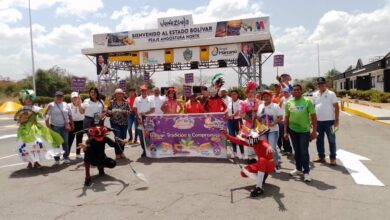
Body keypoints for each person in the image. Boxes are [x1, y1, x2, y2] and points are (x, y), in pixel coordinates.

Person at [221, 122, 274, 197]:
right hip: (261, 165)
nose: (249, 140)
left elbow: (266, 145)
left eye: (250, 138)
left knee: (261, 160)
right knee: (244, 172)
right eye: (249, 138)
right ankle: (261, 178)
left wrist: (269, 147)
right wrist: (227, 136)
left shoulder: (262, 142)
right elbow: (239, 141)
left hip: (269, 165)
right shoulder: (252, 142)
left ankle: (259, 187)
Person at [14, 89, 64, 168]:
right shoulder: (21, 109)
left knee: (37, 144)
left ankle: (36, 161)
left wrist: (47, 110)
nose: (28, 101)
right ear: (24, 100)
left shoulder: (35, 108)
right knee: (27, 146)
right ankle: (30, 162)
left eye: (30, 99)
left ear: (32, 100)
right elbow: (17, 119)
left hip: (35, 128)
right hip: (24, 129)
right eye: (27, 99)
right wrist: (20, 120)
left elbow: (43, 116)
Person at [284, 84, 317, 182]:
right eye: (294, 90)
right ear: (292, 92)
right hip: (292, 130)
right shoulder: (289, 102)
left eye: (298, 90)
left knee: (304, 152)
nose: (296, 91)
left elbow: (313, 117)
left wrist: (314, 131)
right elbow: (286, 118)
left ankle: (306, 172)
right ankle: (298, 169)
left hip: (304, 131)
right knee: (296, 151)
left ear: (301, 91)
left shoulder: (307, 101)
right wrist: (285, 131)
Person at [312, 77, 339, 166]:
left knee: (331, 140)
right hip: (318, 122)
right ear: (317, 85)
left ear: (325, 84)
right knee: (319, 140)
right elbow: (312, 107)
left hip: (330, 122)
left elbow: (336, 107)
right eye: (319, 84)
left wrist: (336, 120)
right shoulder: (315, 94)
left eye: (322, 84)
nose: (321, 85)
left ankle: (333, 158)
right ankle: (321, 157)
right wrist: (311, 120)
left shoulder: (331, 94)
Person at [257, 90, 283, 173]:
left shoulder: (275, 106)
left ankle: (276, 164)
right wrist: (261, 121)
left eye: (267, 96)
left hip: (273, 130)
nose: (266, 98)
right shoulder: (260, 106)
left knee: (272, 147)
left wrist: (274, 123)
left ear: (271, 97)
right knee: (265, 148)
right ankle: (267, 164)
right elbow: (258, 117)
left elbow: (280, 117)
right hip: (263, 130)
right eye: (264, 96)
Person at [45, 91, 74, 165]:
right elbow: (45, 115)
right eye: (57, 96)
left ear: (63, 98)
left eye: (61, 96)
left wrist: (72, 124)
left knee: (65, 143)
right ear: (54, 97)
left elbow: (70, 115)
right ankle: (57, 159)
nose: (59, 98)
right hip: (55, 127)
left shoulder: (66, 104)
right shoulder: (51, 105)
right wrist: (48, 127)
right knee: (56, 143)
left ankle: (66, 157)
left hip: (65, 127)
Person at [239, 81, 260, 163]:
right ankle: (250, 158)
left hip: (256, 124)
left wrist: (256, 120)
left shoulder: (257, 101)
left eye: (252, 92)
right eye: (249, 92)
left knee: (255, 141)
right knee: (249, 142)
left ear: (254, 93)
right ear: (246, 93)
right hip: (248, 124)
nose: (250, 94)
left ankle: (254, 157)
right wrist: (250, 120)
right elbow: (241, 114)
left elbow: (260, 112)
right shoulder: (244, 102)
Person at [107, 88, 130, 160]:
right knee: (118, 137)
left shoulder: (126, 103)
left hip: (124, 123)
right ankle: (117, 153)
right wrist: (110, 112)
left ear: (123, 95)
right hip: (115, 123)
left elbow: (129, 112)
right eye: (118, 94)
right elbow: (107, 112)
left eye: (121, 94)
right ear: (115, 95)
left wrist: (125, 112)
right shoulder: (111, 102)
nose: (119, 95)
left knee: (123, 138)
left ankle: (121, 152)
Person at [133, 85, 155, 157]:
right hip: (139, 121)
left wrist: (144, 114)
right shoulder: (137, 99)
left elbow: (153, 110)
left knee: (148, 137)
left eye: (145, 90)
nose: (143, 91)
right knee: (141, 138)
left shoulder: (151, 99)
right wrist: (138, 118)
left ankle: (149, 151)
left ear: (147, 90)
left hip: (149, 121)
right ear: (140, 91)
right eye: (142, 90)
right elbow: (135, 109)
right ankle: (144, 150)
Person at [226, 89, 244, 158]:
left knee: (239, 137)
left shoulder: (241, 102)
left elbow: (238, 112)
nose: (233, 96)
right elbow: (227, 111)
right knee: (232, 137)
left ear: (237, 95)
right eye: (232, 94)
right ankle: (234, 152)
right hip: (230, 122)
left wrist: (230, 116)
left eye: (234, 94)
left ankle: (242, 153)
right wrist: (225, 116)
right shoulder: (230, 103)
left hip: (238, 121)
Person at [68, 92, 85, 159]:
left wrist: (79, 104)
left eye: (76, 97)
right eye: (73, 97)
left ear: (79, 98)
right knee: (70, 139)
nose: (75, 98)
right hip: (72, 123)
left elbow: (82, 112)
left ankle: (78, 153)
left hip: (81, 123)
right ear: (71, 99)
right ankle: (67, 154)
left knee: (79, 139)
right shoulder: (68, 105)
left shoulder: (82, 105)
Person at [278, 87, 293, 155]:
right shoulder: (282, 99)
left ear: (289, 92)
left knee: (292, 136)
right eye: (284, 92)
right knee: (283, 135)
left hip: (291, 119)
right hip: (283, 119)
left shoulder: (292, 98)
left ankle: (290, 150)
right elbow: (280, 107)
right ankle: (286, 149)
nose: (285, 93)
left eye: (286, 92)